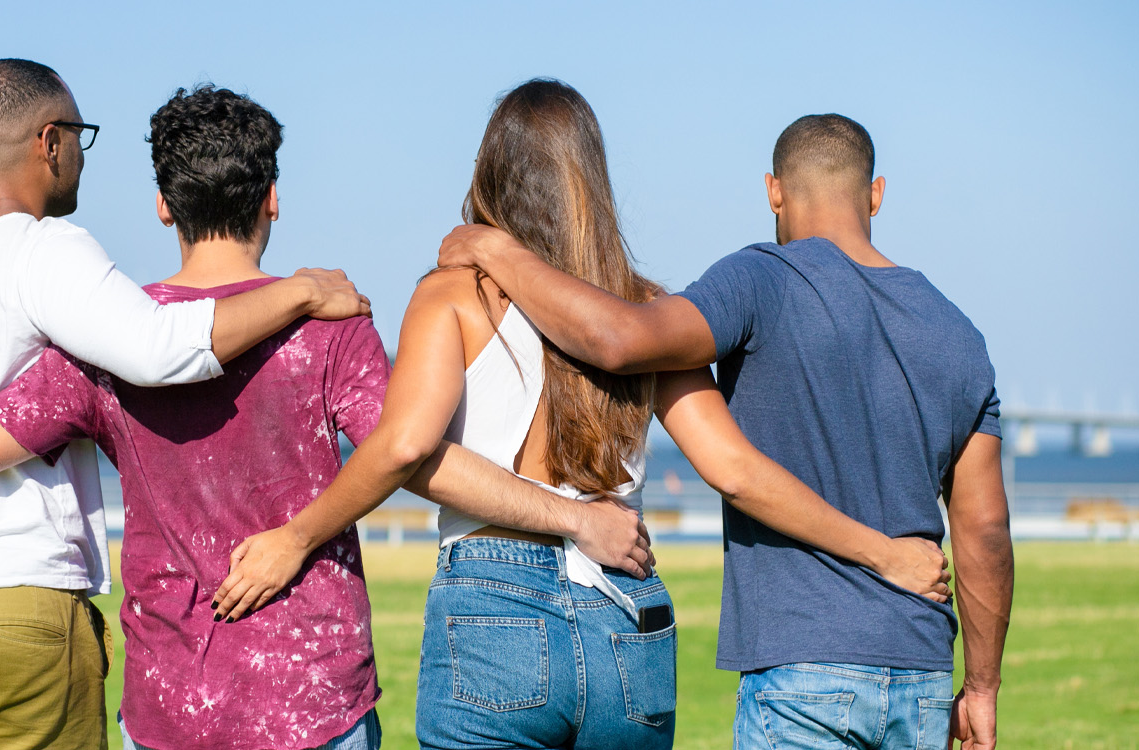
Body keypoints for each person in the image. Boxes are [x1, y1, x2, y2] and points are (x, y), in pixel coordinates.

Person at [0, 84, 662, 750]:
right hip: (316, 693)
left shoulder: (105, 341)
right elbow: (416, 456)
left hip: (169, 701)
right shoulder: (330, 325)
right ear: (272, 199)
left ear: (162, 205)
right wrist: (574, 518)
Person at [215, 81, 953, 750]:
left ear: (492, 173)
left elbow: (405, 446)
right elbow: (736, 470)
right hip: (627, 617)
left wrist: (296, 536)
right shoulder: (647, 308)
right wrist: (881, 551)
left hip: (490, 605)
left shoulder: (451, 296)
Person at [0, 60, 372, 750]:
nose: (83, 162)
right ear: (49, 141)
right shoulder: (47, 252)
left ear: (165, 205)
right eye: (81, 140)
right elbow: (157, 348)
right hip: (21, 591)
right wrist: (299, 292)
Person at [437, 112, 1014, 750]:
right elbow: (985, 530)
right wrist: (982, 687)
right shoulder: (959, 335)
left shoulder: (759, 280)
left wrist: (495, 248)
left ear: (774, 190)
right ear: (876, 194)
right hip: (923, 671)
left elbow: (622, 340)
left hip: (800, 668)